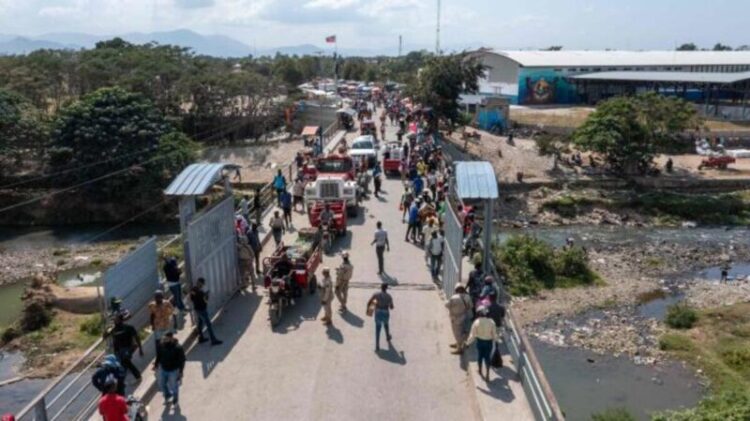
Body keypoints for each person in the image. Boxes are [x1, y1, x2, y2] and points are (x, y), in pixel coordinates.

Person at [465, 307, 498, 380]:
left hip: (480, 342)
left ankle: (480, 370)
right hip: (489, 342)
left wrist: (467, 343)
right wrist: (496, 341)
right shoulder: (491, 322)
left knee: (480, 356)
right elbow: (494, 334)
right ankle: (487, 374)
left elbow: (472, 335)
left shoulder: (476, 322)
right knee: (487, 358)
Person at [154, 331, 186, 407]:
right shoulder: (161, 345)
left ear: (171, 338)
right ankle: (168, 395)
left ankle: (175, 400)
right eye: (164, 338)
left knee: (174, 386)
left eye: (166, 338)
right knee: (162, 384)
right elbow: (158, 356)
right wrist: (156, 365)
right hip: (163, 369)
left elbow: (182, 360)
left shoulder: (178, 347)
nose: (164, 340)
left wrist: (181, 371)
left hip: (174, 370)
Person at [110, 313, 143, 381]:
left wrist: (140, 349)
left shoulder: (128, 327)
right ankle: (120, 382)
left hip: (128, 347)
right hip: (118, 350)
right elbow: (107, 337)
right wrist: (115, 351)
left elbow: (137, 337)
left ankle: (138, 376)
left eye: (116, 319)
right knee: (122, 364)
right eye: (114, 320)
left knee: (126, 361)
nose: (114, 321)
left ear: (120, 320)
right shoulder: (114, 329)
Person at [190, 278, 222, 346]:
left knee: (200, 323)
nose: (202, 285)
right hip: (202, 310)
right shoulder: (201, 292)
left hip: (197, 309)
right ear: (201, 283)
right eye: (202, 283)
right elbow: (206, 301)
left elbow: (192, 298)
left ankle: (201, 338)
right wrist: (206, 295)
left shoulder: (193, 289)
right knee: (208, 325)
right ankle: (213, 340)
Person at [445, 285, 473, 354]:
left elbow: (446, 305)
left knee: (457, 333)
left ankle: (459, 349)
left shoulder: (454, 297)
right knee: (463, 331)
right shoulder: (467, 296)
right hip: (465, 317)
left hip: (456, 318)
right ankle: (460, 343)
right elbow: (471, 306)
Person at [367, 283, 394, 351]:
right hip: (385, 312)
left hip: (378, 312)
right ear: (386, 288)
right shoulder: (389, 296)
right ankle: (387, 336)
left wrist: (369, 311)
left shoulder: (376, 295)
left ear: (381, 287)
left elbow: (370, 302)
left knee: (378, 329)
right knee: (386, 324)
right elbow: (391, 307)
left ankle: (377, 345)